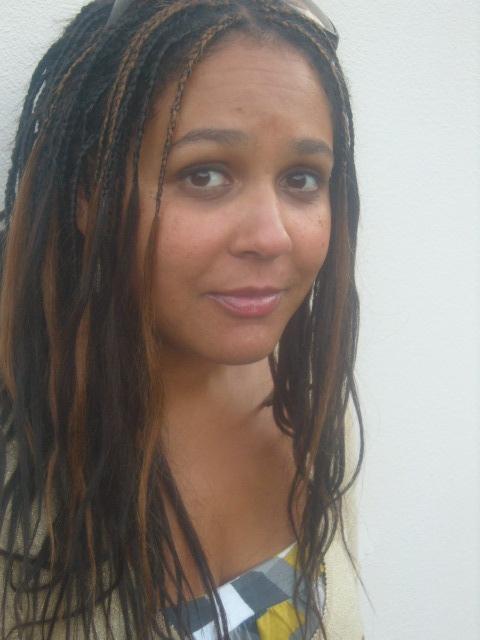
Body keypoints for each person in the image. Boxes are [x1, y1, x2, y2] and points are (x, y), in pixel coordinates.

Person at [0, 0, 365, 638]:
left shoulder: (311, 411)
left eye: (302, 179)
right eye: (205, 174)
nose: (272, 236)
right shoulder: (23, 468)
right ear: (89, 194)